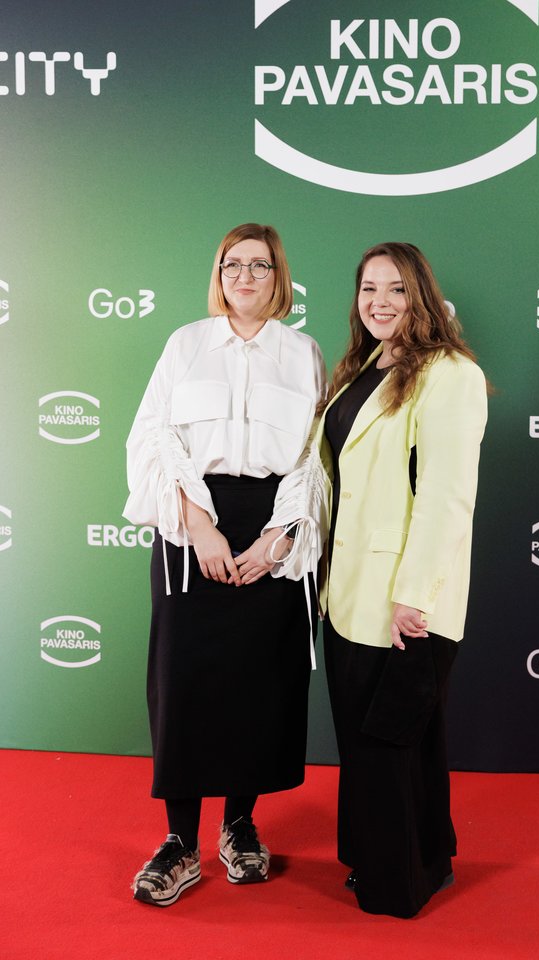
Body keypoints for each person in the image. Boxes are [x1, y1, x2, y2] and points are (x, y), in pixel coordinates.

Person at [123, 223, 326, 906]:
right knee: (182, 680)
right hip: (192, 521)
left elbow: (314, 455)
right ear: (219, 274)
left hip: (272, 527)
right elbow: (155, 438)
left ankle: (240, 825)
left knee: (259, 682)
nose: (245, 276)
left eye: (260, 265)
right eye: (232, 264)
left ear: (279, 277)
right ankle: (180, 842)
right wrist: (199, 528)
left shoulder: (303, 353)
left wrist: (278, 539)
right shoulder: (185, 344)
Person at [316, 242, 488, 918]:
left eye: (395, 289)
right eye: (368, 288)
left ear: (421, 295)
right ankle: (407, 861)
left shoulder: (451, 373)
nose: (379, 301)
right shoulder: (363, 366)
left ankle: (399, 884)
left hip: (403, 600)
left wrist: (415, 595)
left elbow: (447, 496)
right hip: (348, 592)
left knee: (392, 742)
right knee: (369, 744)